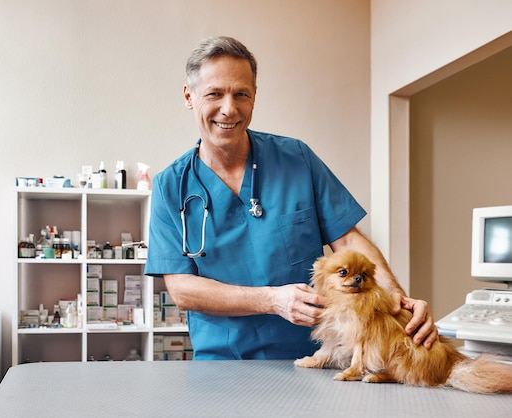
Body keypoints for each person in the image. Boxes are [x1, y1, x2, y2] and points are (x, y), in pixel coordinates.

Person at [144, 36, 438, 360]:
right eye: (214, 94)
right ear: (189, 96)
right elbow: (182, 289)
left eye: (241, 94)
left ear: (254, 97)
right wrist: (272, 300)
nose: (229, 108)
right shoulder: (171, 186)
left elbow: (349, 242)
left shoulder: (296, 158)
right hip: (223, 363)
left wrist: (396, 296)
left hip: (316, 357)